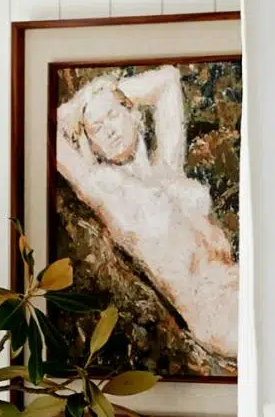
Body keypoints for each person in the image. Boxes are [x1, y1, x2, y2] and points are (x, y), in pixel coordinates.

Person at [53, 63, 240, 364]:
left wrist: (109, 92)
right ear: (92, 144)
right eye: (96, 129)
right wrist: (86, 101)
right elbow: (46, 129)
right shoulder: (107, 191)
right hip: (217, 314)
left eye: (112, 115)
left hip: (238, 281)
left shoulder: (166, 167)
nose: (109, 130)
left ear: (134, 114)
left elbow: (168, 80)